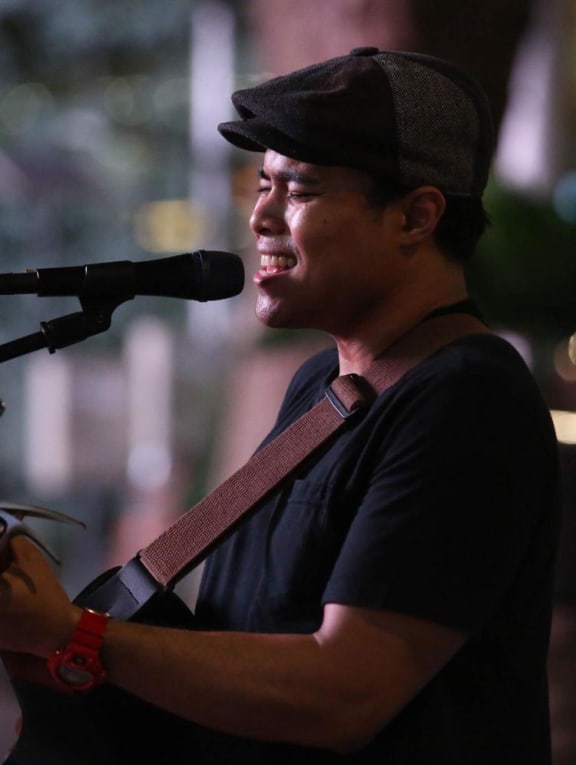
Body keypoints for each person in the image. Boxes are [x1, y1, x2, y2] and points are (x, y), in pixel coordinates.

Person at [0, 47, 561, 764]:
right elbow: (246, 640)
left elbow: (345, 692)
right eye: (260, 184)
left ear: (416, 217)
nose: (261, 215)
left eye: (298, 190)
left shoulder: (467, 401)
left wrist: (76, 637)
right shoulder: (325, 388)